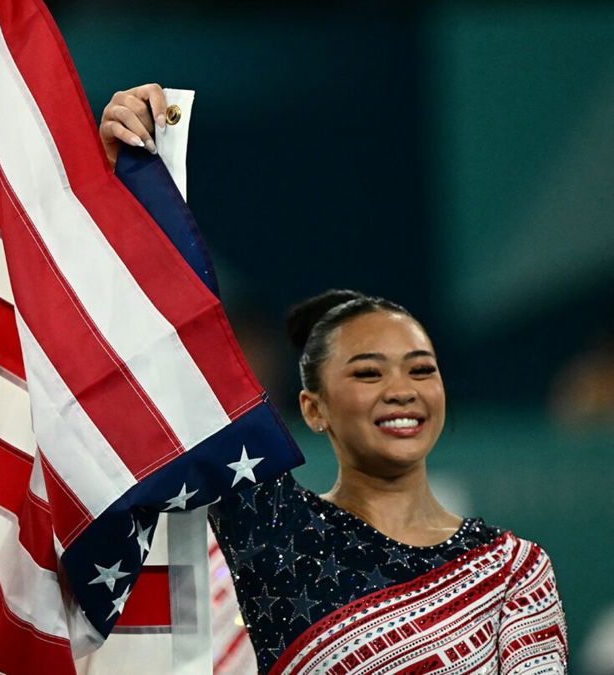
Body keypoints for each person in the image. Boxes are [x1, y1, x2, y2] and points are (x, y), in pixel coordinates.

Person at [101, 86, 568, 673]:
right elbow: (184, 362)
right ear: (313, 409)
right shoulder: (279, 535)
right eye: (368, 372)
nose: (402, 390)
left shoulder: (513, 568)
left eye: (421, 370)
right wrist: (138, 185)